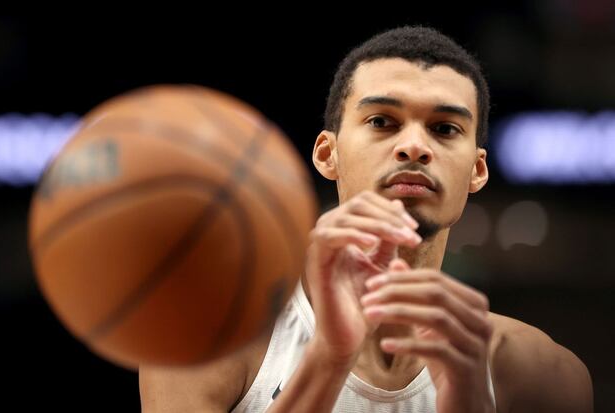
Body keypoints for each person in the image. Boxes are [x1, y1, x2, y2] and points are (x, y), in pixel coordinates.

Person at [139, 26, 593, 412]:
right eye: (382, 121)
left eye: (444, 128)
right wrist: (327, 361)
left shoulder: (541, 373)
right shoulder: (206, 332)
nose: (414, 146)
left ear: (477, 170)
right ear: (328, 154)